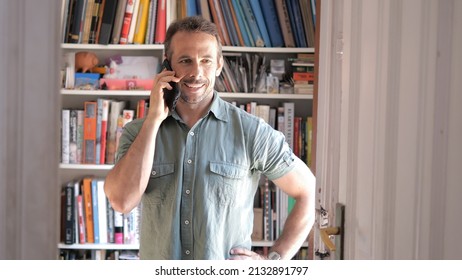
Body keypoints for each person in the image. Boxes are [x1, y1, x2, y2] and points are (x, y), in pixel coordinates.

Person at [104, 16, 315, 260]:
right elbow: (121, 202)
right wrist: (153, 120)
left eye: (206, 60)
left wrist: (272, 263)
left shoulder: (252, 132)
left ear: (218, 65)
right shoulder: (138, 132)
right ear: (167, 66)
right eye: (185, 61)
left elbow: (309, 191)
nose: (196, 72)